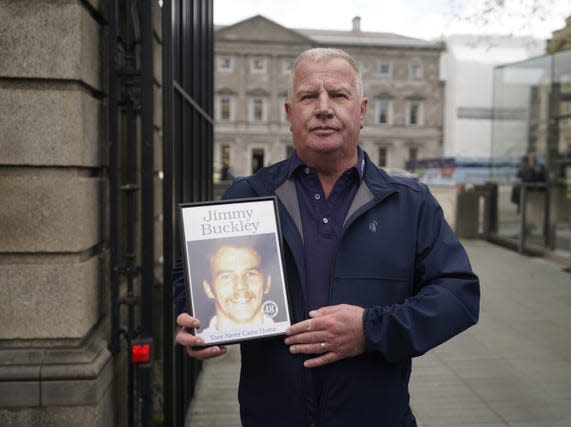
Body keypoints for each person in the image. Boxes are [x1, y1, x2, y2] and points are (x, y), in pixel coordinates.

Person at [174, 47, 480, 427]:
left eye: (337, 95)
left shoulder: (409, 203)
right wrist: (195, 318)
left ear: (363, 110)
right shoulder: (248, 196)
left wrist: (370, 330)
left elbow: (458, 295)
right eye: (307, 96)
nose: (322, 108)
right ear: (289, 114)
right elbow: (189, 274)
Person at [200, 243, 273, 334]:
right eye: (226, 276)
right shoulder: (199, 342)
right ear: (208, 289)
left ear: (267, 283)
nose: (240, 286)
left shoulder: (288, 331)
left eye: (251, 274)